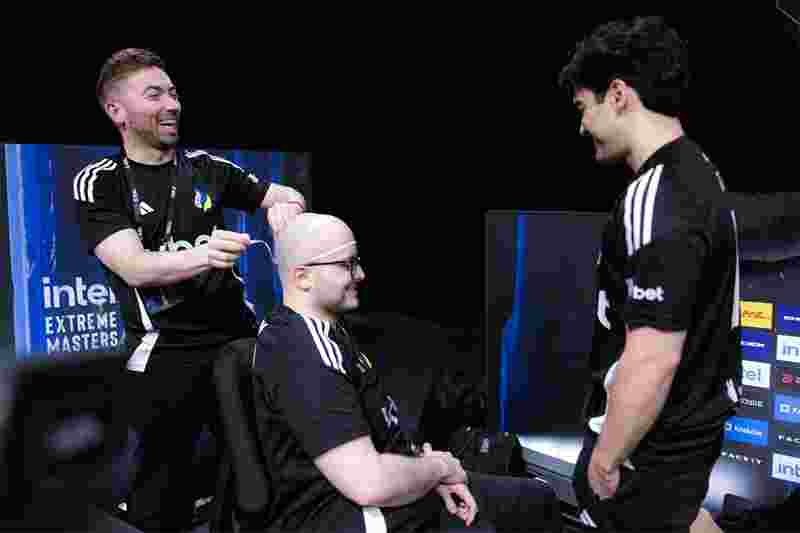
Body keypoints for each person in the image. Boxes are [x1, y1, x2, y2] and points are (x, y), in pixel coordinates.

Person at [72, 48, 305, 532]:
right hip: (164, 351)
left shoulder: (209, 169)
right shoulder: (99, 182)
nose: (172, 105)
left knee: (260, 478)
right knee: (160, 498)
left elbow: (282, 195)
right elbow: (134, 268)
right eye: (154, 94)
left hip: (236, 341)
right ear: (116, 111)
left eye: (174, 93)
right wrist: (206, 253)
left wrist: (287, 206)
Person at [251, 212, 562, 532]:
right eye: (346, 265)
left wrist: (424, 472)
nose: (361, 274)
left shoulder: (329, 330)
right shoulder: (304, 355)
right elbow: (369, 484)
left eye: (357, 262)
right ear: (303, 277)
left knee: (539, 500)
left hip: (388, 485)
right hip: (348, 515)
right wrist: (438, 469)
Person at [558, 16, 740, 533]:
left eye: (583, 108)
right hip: (684, 441)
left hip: (652, 446)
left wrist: (607, 457)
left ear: (617, 95)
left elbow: (655, 356)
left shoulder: (657, 194)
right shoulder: (702, 173)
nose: (582, 127)